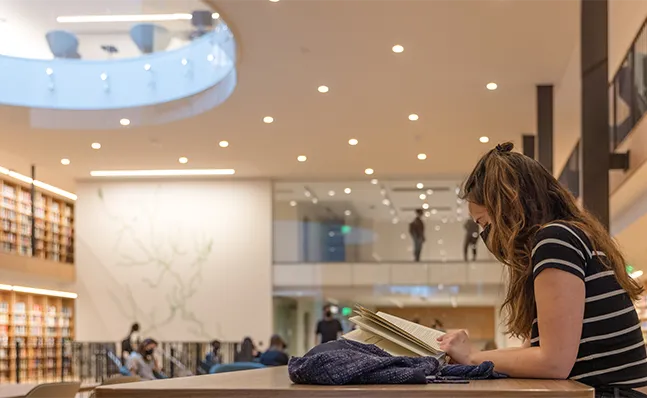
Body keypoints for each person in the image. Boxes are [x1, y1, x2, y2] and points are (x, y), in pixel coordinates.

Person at [438, 142, 647, 396]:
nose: (486, 235)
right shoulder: (573, 234)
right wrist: (472, 356)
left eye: (484, 223)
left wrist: (471, 357)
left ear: (507, 210)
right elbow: (532, 351)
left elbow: (554, 361)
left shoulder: (554, 240)